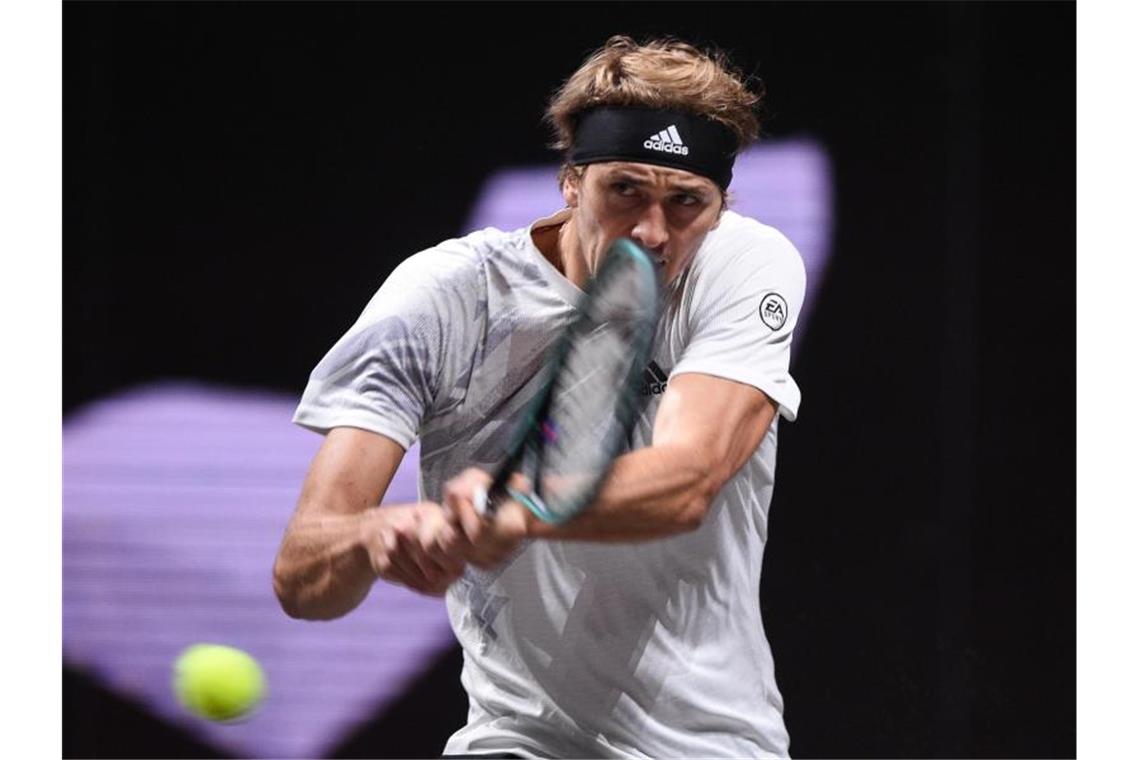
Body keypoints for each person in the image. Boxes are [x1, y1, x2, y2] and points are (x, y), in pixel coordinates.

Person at [273, 35, 805, 759]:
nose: (653, 231)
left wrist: (517, 507)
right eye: (625, 189)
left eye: (686, 202)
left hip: (711, 742)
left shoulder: (744, 266)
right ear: (571, 182)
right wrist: (371, 538)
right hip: (519, 739)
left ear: (718, 207)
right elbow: (304, 577)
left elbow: (689, 479)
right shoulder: (445, 297)